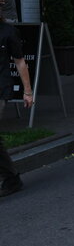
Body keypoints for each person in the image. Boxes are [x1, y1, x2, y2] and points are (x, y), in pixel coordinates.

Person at [0, 17, 32, 197]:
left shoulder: (8, 31)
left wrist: (27, 91)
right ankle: (11, 177)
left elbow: (20, 61)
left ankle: (10, 178)